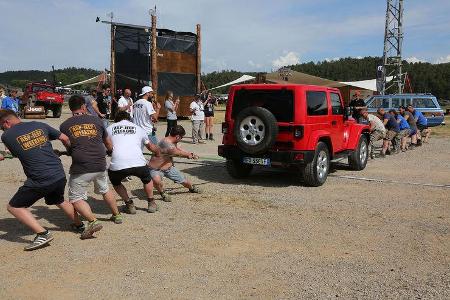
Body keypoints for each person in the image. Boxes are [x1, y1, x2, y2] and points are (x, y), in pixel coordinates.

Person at [0, 109, 95, 251]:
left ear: (6, 122)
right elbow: (64, 138)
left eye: (1, 126)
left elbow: (17, 152)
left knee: (14, 207)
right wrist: (69, 151)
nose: (2, 129)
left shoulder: (7, 136)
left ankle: (42, 234)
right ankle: (79, 225)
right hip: (58, 173)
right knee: (59, 200)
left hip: (41, 179)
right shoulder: (39, 124)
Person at [60, 95, 123, 224]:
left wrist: (70, 151)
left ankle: (92, 221)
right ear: (84, 106)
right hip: (99, 163)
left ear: (71, 108)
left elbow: (68, 144)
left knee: (76, 198)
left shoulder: (64, 125)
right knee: (105, 189)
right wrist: (110, 151)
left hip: (81, 166)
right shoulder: (97, 121)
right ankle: (117, 215)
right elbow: (108, 142)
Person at [107, 111, 161, 213]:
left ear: (116, 119)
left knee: (116, 182)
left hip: (119, 164)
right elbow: (150, 147)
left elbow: (107, 146)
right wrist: (158, 153)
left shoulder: (109, 128)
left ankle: (129, 204)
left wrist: (110, 151)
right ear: (129, 119)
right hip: (138, 162)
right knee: (147, 179)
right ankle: (151, 202)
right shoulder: (138, 128)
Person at [148, 125, 201, 202]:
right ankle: (163, 193)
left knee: (185, 182)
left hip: (168, 168)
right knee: (157, 181)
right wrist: (189, 155)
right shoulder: (167, 144)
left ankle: (192, 188)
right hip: (156, 169)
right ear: (177, 137)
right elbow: (177, 152)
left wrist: (190, 154)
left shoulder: (171, 140)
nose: (181, 139)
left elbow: (178, 149)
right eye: (181, 137)